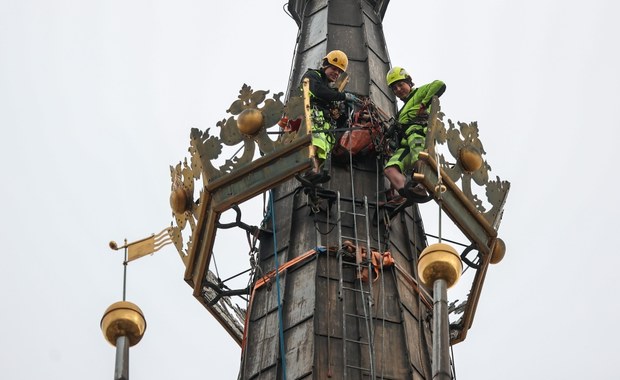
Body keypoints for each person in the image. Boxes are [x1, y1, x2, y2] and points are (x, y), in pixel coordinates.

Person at [383, 67, 446, 203]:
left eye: (401, 84)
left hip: (418, 133)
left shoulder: (419, 93)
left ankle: (422, 186)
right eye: (395, 88)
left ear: (409, 83)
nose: (399, 89)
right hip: (405, 142)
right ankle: (408, 192)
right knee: (390, 169)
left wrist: (424, 103)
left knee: (418, 157)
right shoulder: (401, 112)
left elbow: (439, 84)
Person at [300, 50, 362, 183]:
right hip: (311, 117)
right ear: (325, 65)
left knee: (322, 146)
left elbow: (339, 120)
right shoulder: (313, 75)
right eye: (334, 68)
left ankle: (315, 171)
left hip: (324, 125)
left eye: (339, 71)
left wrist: (346, 113)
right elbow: (319, 91)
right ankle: (311, 169)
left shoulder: (330, 91)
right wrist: (343, 96)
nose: (336, 73)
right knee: (314, 141)